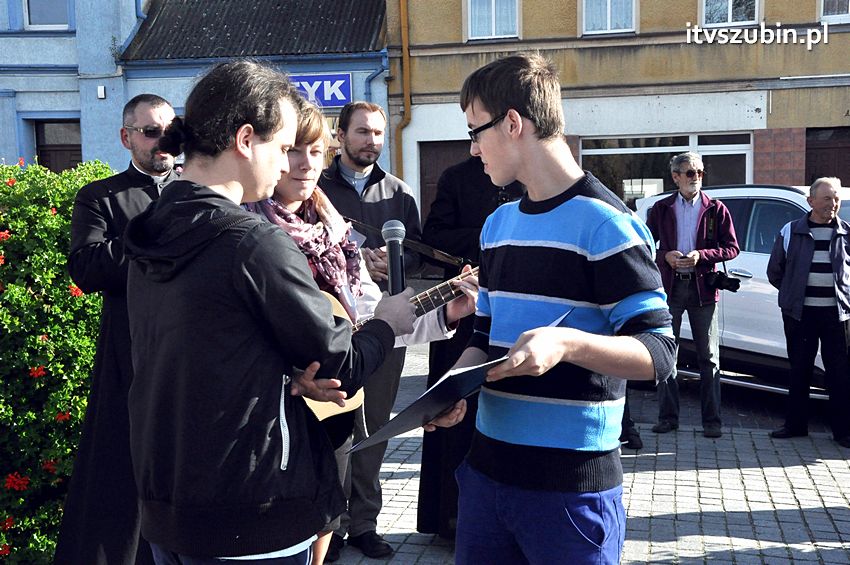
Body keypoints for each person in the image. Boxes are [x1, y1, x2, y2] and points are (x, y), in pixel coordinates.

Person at [122, 60, 416, 564]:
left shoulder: (155, 225)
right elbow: (342, 362)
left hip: (166, 500)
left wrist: (287, 375)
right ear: (243, 139)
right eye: (282, 148)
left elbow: (206, 352)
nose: (287, 166)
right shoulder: (254, 242)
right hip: (251, 506)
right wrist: (386, 323)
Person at [427, 53, 676, 565]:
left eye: (476, 131)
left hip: (571, 495)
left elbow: (660, 352)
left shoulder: (609, 225)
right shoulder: (497, 225)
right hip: (484, 479)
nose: (473, 150)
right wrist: (447, 390)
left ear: (513, 123)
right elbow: (483, 337)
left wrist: (566, 345)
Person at [245, 102, 477, 563]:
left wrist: (445, 312)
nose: (305, 163)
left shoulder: (333, 230)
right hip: (269, 422)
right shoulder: (247, 226)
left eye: (314, 150)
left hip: (333, 399)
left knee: (337, 496)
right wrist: (289, 375)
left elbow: (371, 317)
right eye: (292, 150)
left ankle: (359, 526)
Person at [54, 93, 177, 565]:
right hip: (131, 353)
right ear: (126, 137)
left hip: (191, 350)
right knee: (122, 476)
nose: (162, 141)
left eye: (169, 130)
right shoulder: (101, 196)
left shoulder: (200, 189)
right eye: (150, 132)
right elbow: (86, 269)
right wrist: (152, 231)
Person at [318, 101, 423, 559]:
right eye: (362, 132)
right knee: (334, 427)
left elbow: (417, 255)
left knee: (374, 427)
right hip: (331, 326)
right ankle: (330, 526)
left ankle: (363, 523)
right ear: (340, 136)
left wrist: (391, 262)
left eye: (378, 134)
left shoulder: (399, 193)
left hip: (385, 327)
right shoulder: (315, 189)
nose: (372, 142)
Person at [417, 155, 523, 539]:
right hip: (460, 316)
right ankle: (449, 518)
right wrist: (488, 235)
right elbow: (434, 235)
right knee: (454, 412)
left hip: (512, 314)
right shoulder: (455, 176)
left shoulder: (525, 177)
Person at [646, 151, 739, 439]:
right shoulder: (661, 209)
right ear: (675, 177)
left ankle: (712, 422)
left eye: (699, 172)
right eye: (689, 172)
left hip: (703, 289)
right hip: (671, 289)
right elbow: (645, 246)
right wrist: (666, 256)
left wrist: (703, 255)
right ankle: (667, 418)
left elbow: (731, 248)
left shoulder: (716, 209)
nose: (695, 177)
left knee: (709, 357)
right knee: (666, 354)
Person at [767, 177, 850, 449]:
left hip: (837, 316)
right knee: (799, 369)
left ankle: (842, 431)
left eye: (836, 198)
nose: (833, 204)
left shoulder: (846, 233)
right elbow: (775, 271)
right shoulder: (791, 231)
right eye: (827, 198)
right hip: (800, 314)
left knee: (839, 373)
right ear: (811, 201)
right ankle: (795, 426)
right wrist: (793, 294)